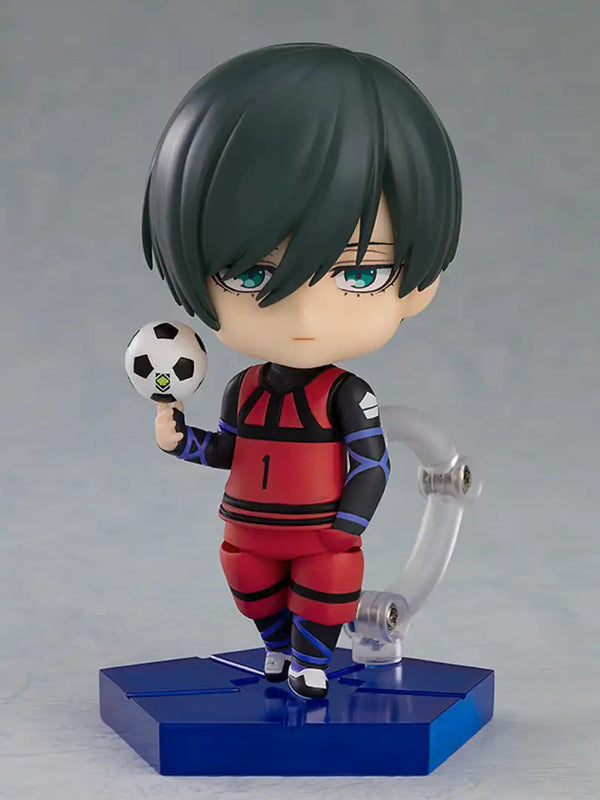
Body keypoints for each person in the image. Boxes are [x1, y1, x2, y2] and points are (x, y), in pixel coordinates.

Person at [144, 43, 461, 699]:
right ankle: (276, 649)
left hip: (320, 535)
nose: (304, 314)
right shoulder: (244, 388)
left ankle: (311, 662)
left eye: (360, 274)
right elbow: (230, 449)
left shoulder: (346, 393)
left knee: (325, 595)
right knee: (251, 590)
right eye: (250, 274)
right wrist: (182, 441)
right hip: (246, 530)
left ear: (419, 284)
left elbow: (372, 463)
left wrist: (345, 529)